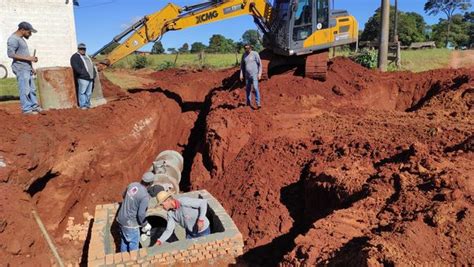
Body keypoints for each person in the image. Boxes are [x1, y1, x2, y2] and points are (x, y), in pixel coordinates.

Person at [116, 172, 158, 252]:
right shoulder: (145, 196)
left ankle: (123, 259)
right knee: (133, 244)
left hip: (120, 219)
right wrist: (145, 224)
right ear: (151, 183)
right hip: (130, 224)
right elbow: (141, 214)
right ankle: (132, 262)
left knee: (124, 242)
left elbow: (123, 195)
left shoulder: (132, 185)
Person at [7, 22, 42, 114]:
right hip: (20, 68)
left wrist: (31, 66)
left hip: (27, 68)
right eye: (29, 32)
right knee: (25, 89)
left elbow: (24, 55)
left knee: (32, 89)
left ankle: (34, 106)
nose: (30, 34)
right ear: (22, 30)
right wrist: (28, 58)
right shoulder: (13, 39)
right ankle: (26, 109)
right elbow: (10, 54)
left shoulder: (21, 39)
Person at [70, 43, 97, 109]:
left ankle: (87, 104)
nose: (82, 50)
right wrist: (82, 73)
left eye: (84, 49)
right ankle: (83, 105)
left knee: (88, 93)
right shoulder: (75, 57)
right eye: (81, 49)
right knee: (82, 92)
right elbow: (75, 67)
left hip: (90, 77)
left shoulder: (87, 56)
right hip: (83, 78)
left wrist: (94, 73)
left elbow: (91, 65)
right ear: (78, 49)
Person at [240, 44, 263, 109]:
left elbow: (260, 64)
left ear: (250, 48)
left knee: (255, 88)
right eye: (245, 48)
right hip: (247, 76)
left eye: (248, 48)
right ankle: (248, 103)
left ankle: (258, 103)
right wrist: (241, 74)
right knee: (248, 89)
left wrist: (259, 74)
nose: (247, 49)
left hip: (254, 74)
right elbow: (242, 66)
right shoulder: (244, 55)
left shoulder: (255, 54)